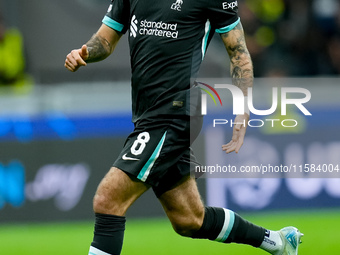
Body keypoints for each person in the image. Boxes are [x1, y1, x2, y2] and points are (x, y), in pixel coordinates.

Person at [65, 0, 303, 254]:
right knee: (189, 220)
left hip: (176, 111)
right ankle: (277, 242)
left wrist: (242, 109)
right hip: (148, 113)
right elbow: (104, 40)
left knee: (108, 199)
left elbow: (238, 51)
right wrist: (86, 53)